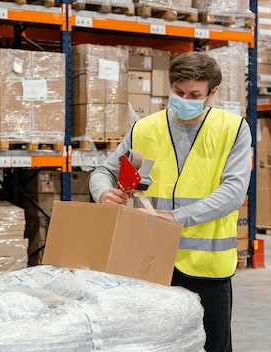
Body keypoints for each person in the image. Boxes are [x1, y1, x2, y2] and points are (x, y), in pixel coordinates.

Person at [89, 51, 251, 352]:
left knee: (212, 346)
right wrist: (102, 192)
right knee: (153, 345)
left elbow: (233, 193)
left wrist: (177, 218)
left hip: (207, 268)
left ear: (212, 93)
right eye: (178, 91)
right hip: (149, 263)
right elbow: (103, 171)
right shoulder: (145, 128)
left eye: (194, 94)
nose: (184, 98)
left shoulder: (233, 129)